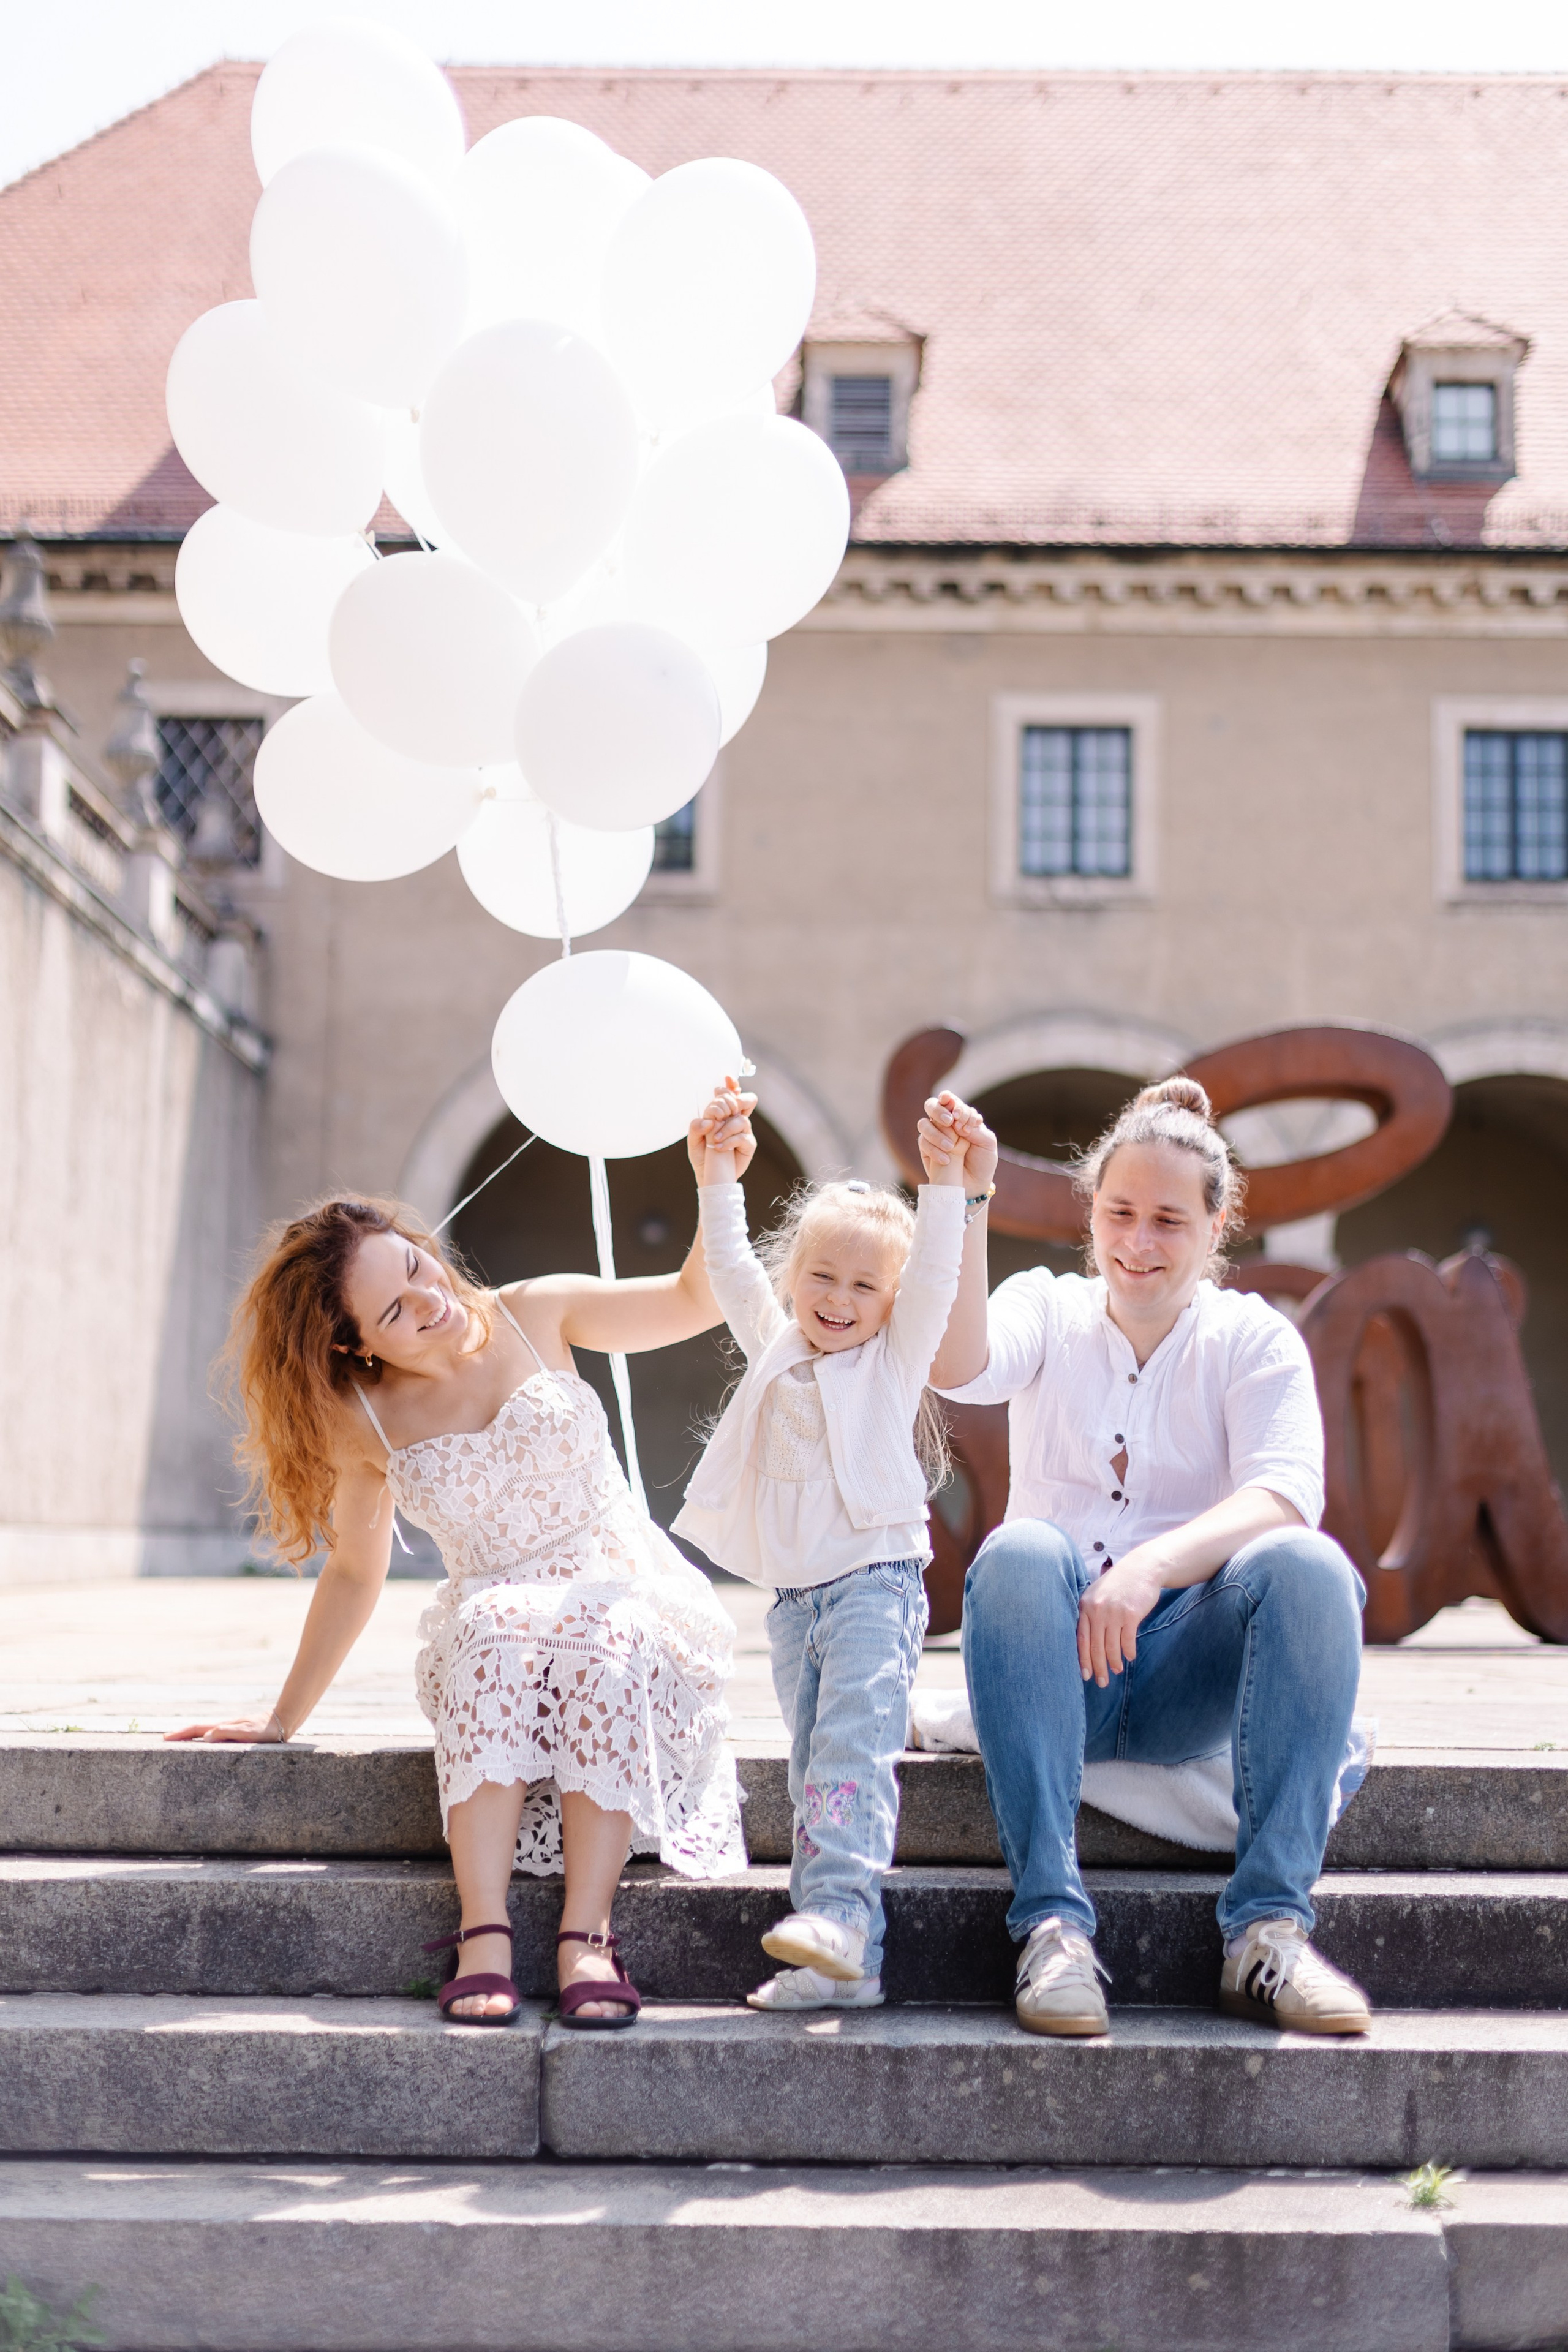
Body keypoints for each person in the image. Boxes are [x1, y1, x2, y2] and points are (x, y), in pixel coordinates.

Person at [168, 1087, 758, 2029]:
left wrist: (714, 1182)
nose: (433, 1301)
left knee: (600, 1629)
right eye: (397, 1311)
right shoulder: (365, 1422)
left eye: (418, 1266)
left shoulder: (537, 1312)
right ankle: (482, 1933)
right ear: (353, 1346)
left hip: (621, 1587)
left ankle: (588, 1938)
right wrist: (282, 1719)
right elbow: (357, 1573)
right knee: (487, 1626)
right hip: (494, 1613)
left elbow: (697, 1300)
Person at [922, 1076, 1371, 2040]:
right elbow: (956, 1366)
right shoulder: (1045, 1306)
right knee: (1019, 1551)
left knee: (1311, 1566)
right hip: (1054, 1661)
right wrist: (964, 1198)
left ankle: (1267, 1937)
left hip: (1185, 1669)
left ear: (1217, 1229)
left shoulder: (1254, 1339)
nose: (1138, 1241)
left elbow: (1285, 1492)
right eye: (1120, 1212)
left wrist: (1150, 1568)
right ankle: (1051, 1928)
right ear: (1091, 1216)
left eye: (1170, 1219)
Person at [673, 1082, 981, 2010]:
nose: (838, 1300)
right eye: (822, 1277)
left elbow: (935, 1280)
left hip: (874, 1588)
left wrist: (945, 1186)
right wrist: (716, 1176)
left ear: (889, 1305)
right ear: (794, 1278)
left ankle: (840, 1912)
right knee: (813, 1768)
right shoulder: (776, 1346)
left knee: (851, 1753)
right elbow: (729, 1264)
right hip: (795, 1601)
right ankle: (842, 1964)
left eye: (863, 1286)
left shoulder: (893, 1360)